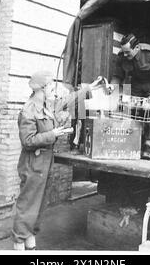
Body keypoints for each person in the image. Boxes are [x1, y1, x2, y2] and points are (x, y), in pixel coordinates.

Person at [12, 70, 102, 250]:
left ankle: (30, 238)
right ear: (41, 89)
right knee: (28, 203)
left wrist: (88, 89)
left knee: (41, 202)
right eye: (51, 86)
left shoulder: (48, 105)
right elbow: (27, 141)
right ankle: (19, 241)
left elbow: (68, 100)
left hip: (45, 162)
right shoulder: (28, 110)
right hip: (33, 163)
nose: (54, 90)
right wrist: (52, 134)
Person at [110, 33, 150, 160]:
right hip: (136, 86)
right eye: (123, 52)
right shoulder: (123, 56)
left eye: (128, 52)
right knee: (134, 114)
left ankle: (148, 144)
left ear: (136, 48)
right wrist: (112, 86)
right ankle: (135, 141)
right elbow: (117, 75)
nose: (125, 55)